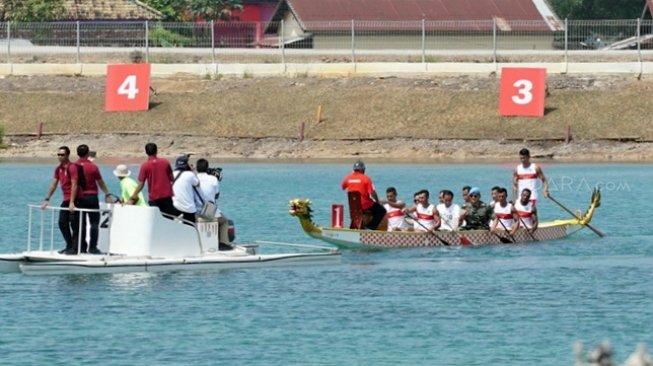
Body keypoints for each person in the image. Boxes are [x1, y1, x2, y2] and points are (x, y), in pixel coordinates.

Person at [70, 144, 110, 254]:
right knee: (94, 224)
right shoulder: (93, 167)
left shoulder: (74, 166)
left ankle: (82, 247)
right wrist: (107, 194)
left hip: (80, 197)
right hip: (92, 197)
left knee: (80, 224)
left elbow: (73, 184)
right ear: (88, 154)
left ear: (77, 154)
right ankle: (93, 247)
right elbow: (100, 182)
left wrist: (71, 201)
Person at [41, 146, 80, 255]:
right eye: (58, 154)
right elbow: (53, 184)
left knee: (74, 224)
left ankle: (75, 248)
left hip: (75, 199)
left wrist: (72, 201)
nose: (60, 156)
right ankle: (69, 245)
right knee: (62, 223)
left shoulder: (72, 167)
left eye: (62, 155)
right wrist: (47, 199)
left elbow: (74, 184)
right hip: (65, 199)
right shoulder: (58, 169)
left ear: (67, 155)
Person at [128, 142, 178, 217]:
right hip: (166, 196)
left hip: (154, 198)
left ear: (146, 152)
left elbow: (141, 184)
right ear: (156, 150)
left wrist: (134, 195)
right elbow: (172, 179)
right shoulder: (165, 162)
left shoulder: (145, 166)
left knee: (156, 219)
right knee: (170, 219)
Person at [341, 160, 387, 230]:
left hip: (353, 206)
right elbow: (373, 193)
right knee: (381, 210)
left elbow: (343, 187)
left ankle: (356, 226)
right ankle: (370, 227)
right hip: (365, 205)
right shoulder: (366, 178)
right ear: (363, 170)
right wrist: (377, 202)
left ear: (354, 169)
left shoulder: (347, 178)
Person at [196, 158, 231, 245]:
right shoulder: (213, 179)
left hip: (194, 210)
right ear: (207, 168)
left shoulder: (193, 178)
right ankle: (223, 243)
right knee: (224, 221)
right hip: (208, 211)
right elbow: (217, 195)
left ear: (197, 168)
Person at [172, 154, 200, 224]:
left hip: (175, 207)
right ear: (186, 165)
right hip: (189, 209)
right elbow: (197, 184)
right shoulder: (190, 175)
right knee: (191, 229)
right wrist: (193, 170)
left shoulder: (171, 174)